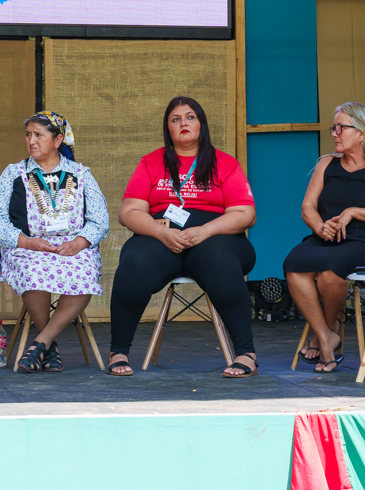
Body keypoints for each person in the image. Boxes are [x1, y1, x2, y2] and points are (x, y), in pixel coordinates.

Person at [108, 96, 259, 378]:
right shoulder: (151, 163)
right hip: (161, 237)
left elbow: (245, 214)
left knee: (221, 260)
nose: (183, 124)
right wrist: (160, 232)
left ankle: (246, 353)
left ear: (201, 124)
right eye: (175, 119)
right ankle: (119, 350)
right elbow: (129, 211)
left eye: (190, 117)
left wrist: (206, 230)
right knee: (134, 263)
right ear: (168, 128)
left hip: (215, 237)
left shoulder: (225, 163)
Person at [283, 102, 365, 373]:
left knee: (329, 273)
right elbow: (308, 207)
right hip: (326, 238)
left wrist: (354, 212)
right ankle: (327, 336)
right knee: (293, 265)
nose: (335, 133)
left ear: (362, 133)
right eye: (333, 128)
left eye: (341, 128)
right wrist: (319, 227)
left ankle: (326, 335)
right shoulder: (327, 164)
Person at [0, 111, 110, 373]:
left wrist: (80, 242)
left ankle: (40, 342)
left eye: (39, 135)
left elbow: (100, 219)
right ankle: (49, 346)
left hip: (73, 247)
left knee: (84, 271)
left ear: (57, 140)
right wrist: (27, 242)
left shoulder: (81, 174)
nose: (31, 141)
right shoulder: (14, 173)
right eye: (28, 135)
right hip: (28, 246)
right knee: (33, 271)